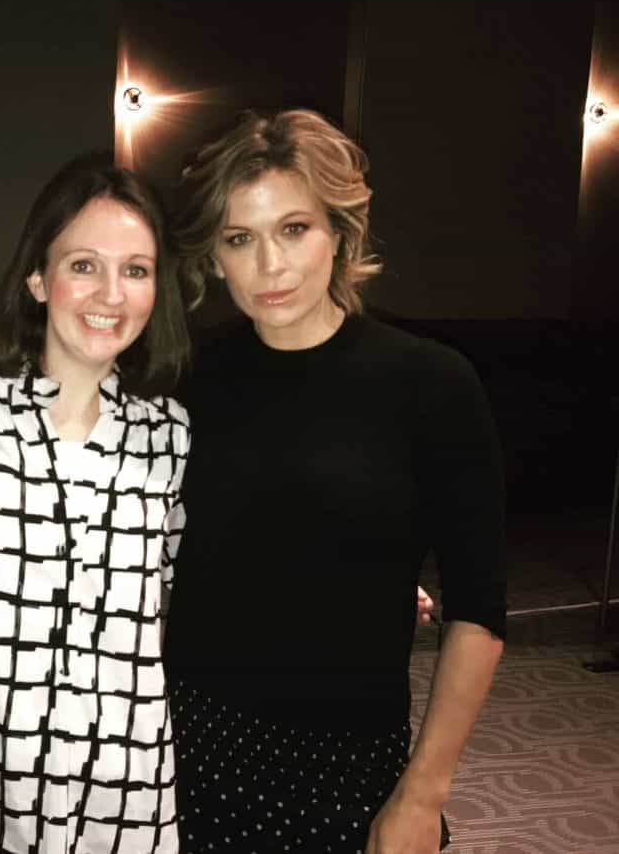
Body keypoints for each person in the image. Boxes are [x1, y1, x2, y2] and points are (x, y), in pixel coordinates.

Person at [163, 109, 505, 853]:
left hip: (349, 757)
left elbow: (480, 610)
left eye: (294, 229)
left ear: (341, 232)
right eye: (239, 239)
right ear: (213, 257)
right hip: (187, 742)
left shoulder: (430, 382)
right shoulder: (186, 374)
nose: (270, 266)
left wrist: (425, 790)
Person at [0, 154, 192, 853]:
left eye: (136, 270)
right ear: (38, 278)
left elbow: (204, 573)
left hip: (119, 775)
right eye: (84, 264)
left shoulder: (170, 432)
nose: (110, 293)